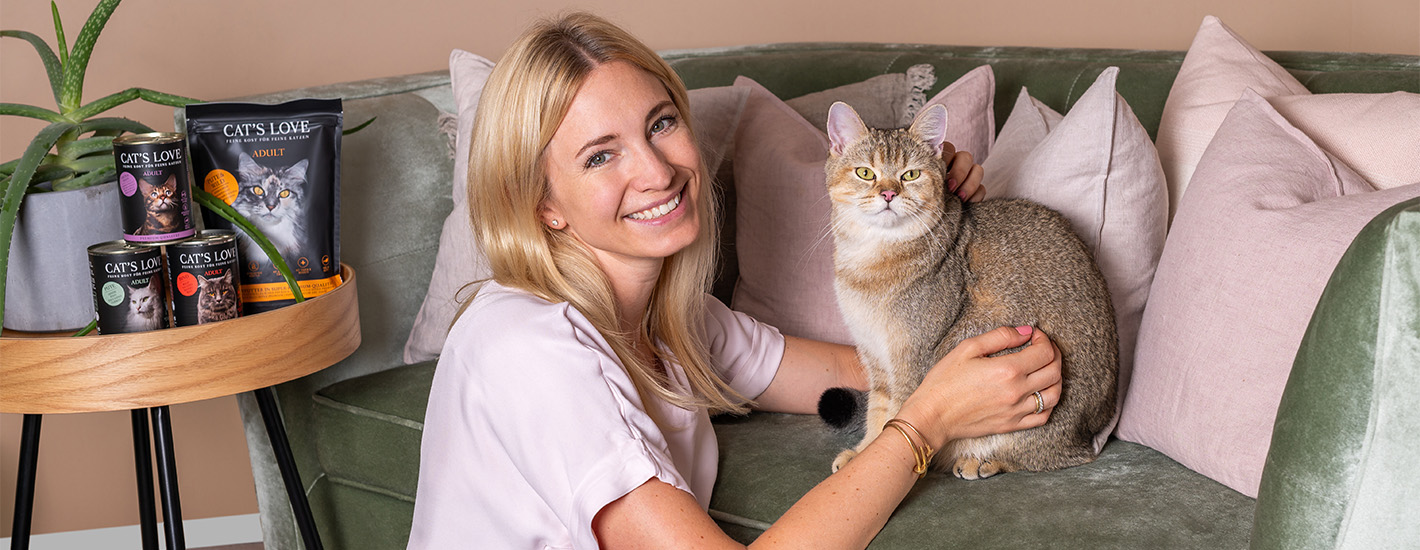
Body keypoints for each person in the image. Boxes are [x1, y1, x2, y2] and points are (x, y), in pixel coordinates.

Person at [408, 12, 1063, 550]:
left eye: (661, 123)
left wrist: (940, 226)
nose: (657, 171)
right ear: (542, 204)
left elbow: (862, 368)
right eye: (601, 155)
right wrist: (925, 424)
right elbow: (915, 409)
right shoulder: (523, 346)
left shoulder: (675, 320)